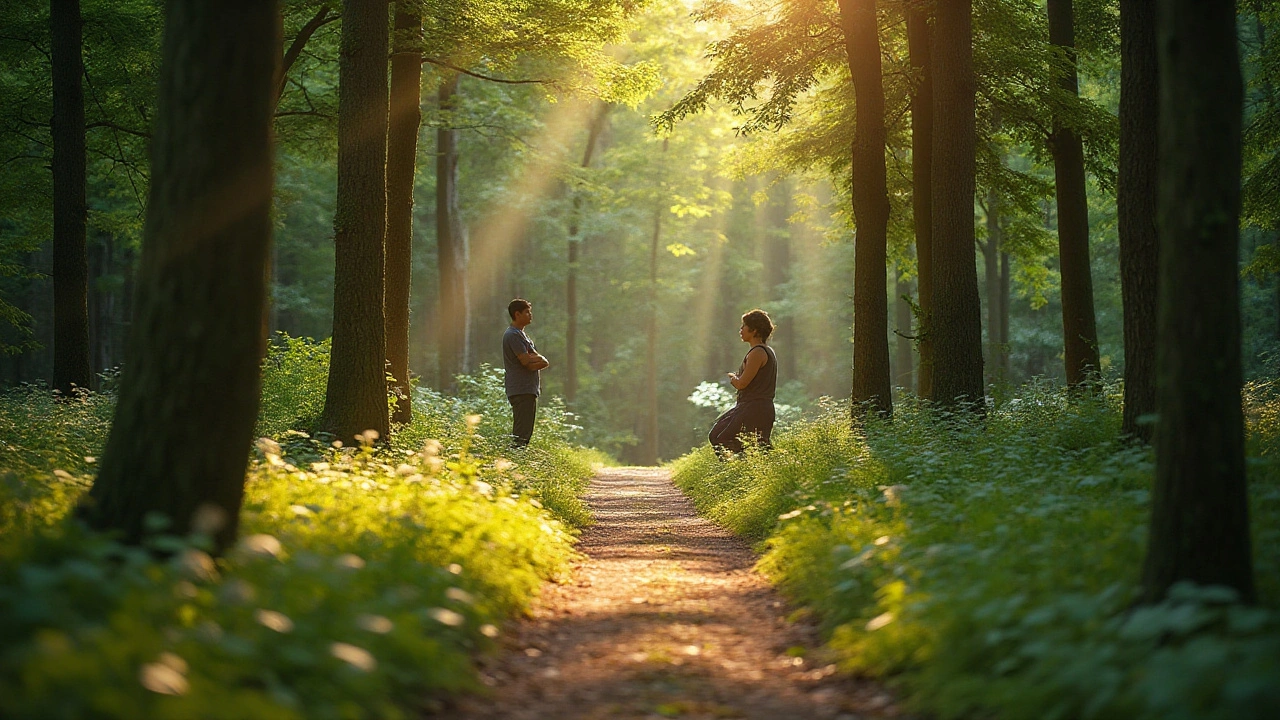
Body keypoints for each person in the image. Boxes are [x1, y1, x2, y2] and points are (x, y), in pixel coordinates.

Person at [709, 308, 778, 456]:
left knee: (721, 438)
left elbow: (742, 384)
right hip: (754, 407)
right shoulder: (765, 351)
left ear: (754, 330)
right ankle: (746, 470)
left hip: (754, 408)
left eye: (743, 326)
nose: (740, 330)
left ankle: (743, 470)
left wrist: (733, 378)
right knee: (721, 436)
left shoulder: (758, 352)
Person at [502, 298, 549, 447]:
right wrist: (539, 361)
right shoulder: (512, 335)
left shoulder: (522, 335)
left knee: (526, 430)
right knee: (521, 432)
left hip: (528, 389)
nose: (530, 315)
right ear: (517, 314)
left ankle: (516, 459)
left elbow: (536, 358)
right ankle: (513, 461)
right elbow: (526, 362)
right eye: (527, 312)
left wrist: (539, 359)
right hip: (521, 389)